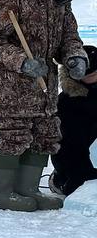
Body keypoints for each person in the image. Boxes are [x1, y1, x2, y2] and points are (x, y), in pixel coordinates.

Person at [0, 0, 88, 211]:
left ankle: (26, 189)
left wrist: (74, 56)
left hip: (44, 87)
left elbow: (69, 37)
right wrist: (22, 61)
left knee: (43, 136)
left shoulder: (60, 1)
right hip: (12, 86)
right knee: (12, 136)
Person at [51, 45, 97, 197]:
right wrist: (81, 175)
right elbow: (68, 148)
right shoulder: (68, 104)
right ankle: (59, 180)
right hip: (75, 168)